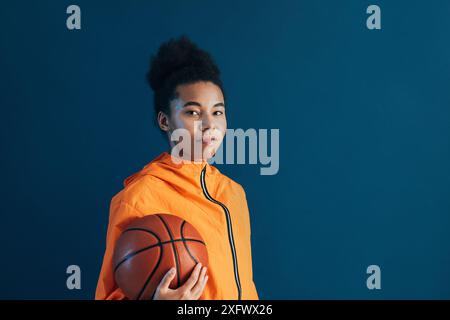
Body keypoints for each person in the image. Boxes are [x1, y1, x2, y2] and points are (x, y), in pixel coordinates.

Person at [95, 35, 258, 300]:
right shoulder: (140, 196)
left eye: (218, 112)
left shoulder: (234, 193)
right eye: (193, 112)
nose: (209, 124)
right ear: (164, 121)